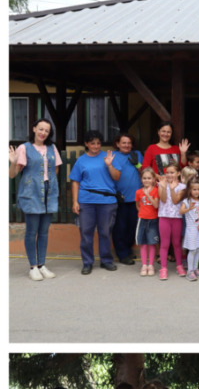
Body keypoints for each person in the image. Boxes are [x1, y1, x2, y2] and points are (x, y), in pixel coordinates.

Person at [10, 119, 63, 281]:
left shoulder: (52, 148)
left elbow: (55, 170)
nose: (43, 133)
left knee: (44, 232)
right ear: (34, 129)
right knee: (32, 231)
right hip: (32, 193)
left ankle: (42, 264)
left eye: (46, 131)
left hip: (49, 193)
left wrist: (48, 184)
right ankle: (33, 267)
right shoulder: (24, 148)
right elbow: (12, 174)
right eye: (40, 129)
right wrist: (13, 162)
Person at [69, 130, 122, 274]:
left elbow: (117, 176)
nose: (96, 146)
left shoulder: (109, 156)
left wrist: (110, 165)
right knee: (86, 232)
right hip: (86, 200)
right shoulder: (81, 161)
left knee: (105, 232)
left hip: (107, 200)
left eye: (98, 143)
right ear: (86, 144)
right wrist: (75, 201)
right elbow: (75, 182)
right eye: (92, 143)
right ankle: (87, 262)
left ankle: (106, 260)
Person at [110, 132, 144, 265]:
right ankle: (122, 254)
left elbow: (145, 172)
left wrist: (138, 165)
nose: (126, 145)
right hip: (120, 198)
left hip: (136, 198)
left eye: (129, 143)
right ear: (117, 144)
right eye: (123, 142)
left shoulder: (137, 155)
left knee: (133, 226)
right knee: (120, 227)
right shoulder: (113, 157)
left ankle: (128, 249)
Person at [156, 164, 186, 280]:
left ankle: (179, 266)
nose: (169, 175)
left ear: (178, 173)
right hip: (164, 217)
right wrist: (163, 187)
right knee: (164, 244)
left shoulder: (182, 187)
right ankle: (163, 268)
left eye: (172, 172)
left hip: (176, 218)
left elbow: (175, 200)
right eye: (167, 172)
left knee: (177, 243)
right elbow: (163, 199)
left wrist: (173, 189)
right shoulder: (161, 184)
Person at [180, 180, 199, 281]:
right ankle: (190, 271)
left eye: (198, 189)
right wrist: (189, 208)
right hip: (191, 229)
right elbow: (181, 211)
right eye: (194, 189)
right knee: (192, 249)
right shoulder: (187, 201)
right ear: (190, 190)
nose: (196, 191)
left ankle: (196, 268)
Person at [134, 168, 160, 277]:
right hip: (142, 219)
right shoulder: (138, 192)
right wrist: (142, 213)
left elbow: (156, 205)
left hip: (153, 219)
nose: (146, 180)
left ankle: (151, 265)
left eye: (149, 178)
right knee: (143, 243)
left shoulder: (156, 191)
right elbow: (137, 205)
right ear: (141, 179)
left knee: (152, 243)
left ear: (154, 179)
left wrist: (148, 195)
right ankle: (144, 265)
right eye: (144, 178)